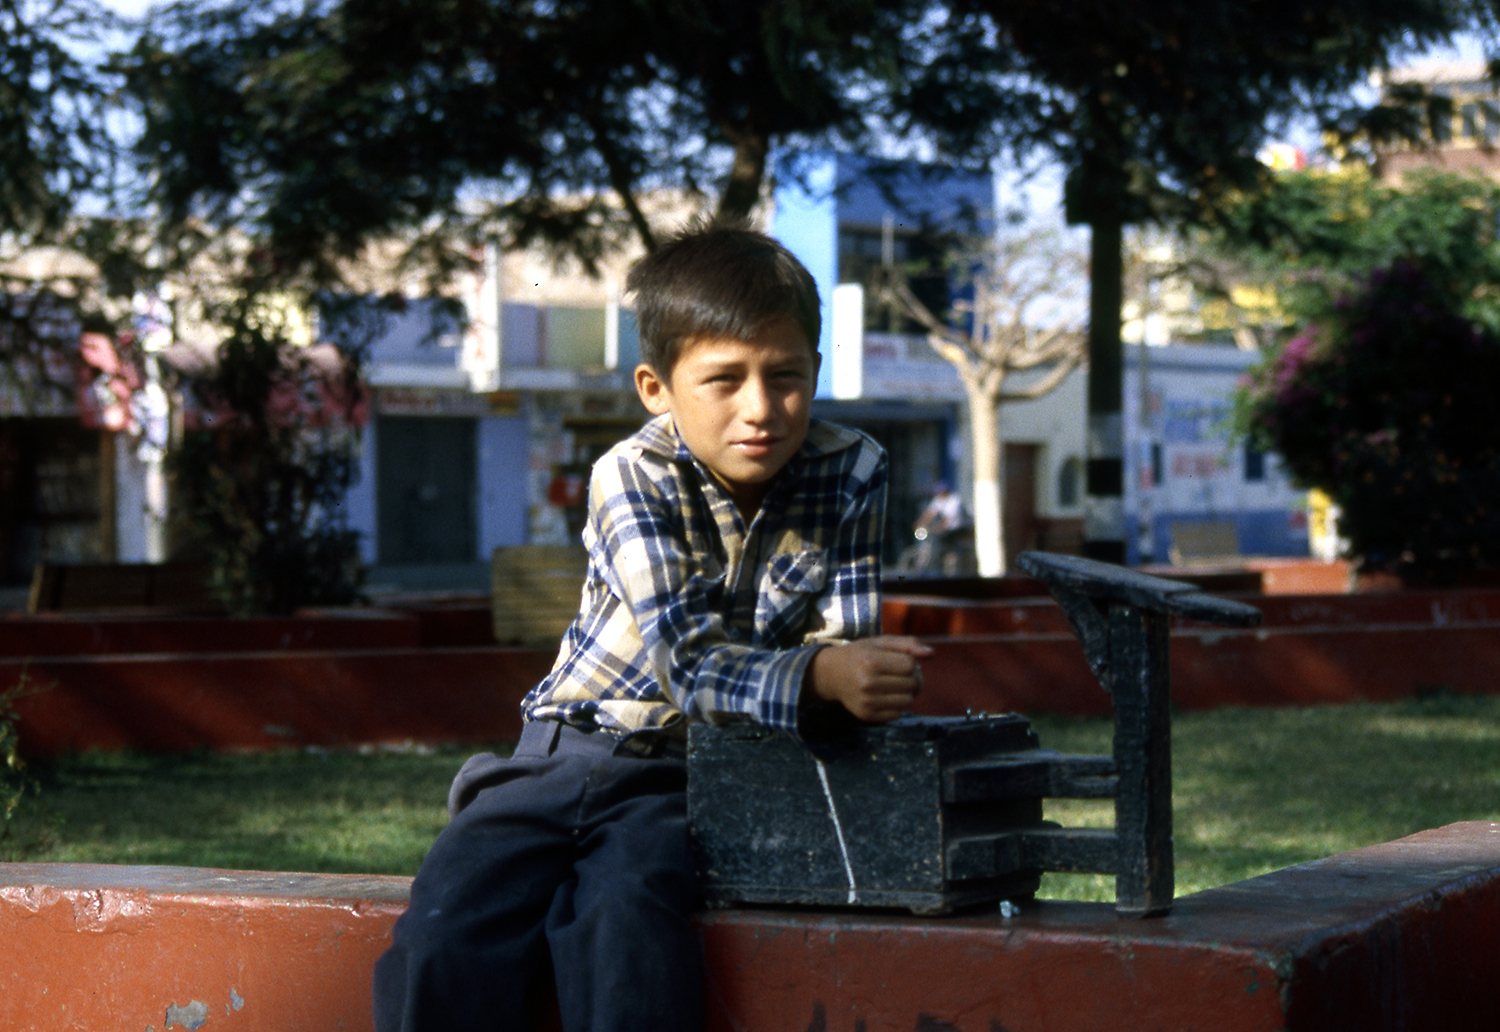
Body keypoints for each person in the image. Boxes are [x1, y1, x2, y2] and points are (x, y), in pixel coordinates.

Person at [372, 220, 931, 1032]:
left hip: (692, 777)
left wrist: (856, 679)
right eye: (723, 379)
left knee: (628, 928)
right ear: (656, 389)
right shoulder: (631, 475)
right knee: (445, 934)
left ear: (817, 369)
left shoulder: (854, 469)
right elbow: (691, 665)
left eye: (786, 376)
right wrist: (821, 677)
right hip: (565, 754)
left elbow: (843, 642)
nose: (761, 409)